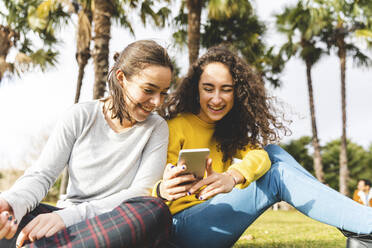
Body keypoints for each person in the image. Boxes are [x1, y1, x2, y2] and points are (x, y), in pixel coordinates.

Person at [154, 46, 372, 248]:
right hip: (181, 228)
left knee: (273, 152)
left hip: (213, 217)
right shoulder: (176, 126)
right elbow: (154, 189)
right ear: (196, 90)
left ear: (237, 93)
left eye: (226, 89)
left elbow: (262, 157)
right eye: (208, 89)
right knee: (277, 176)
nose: (217, 99)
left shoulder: (227, 130)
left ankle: (360, 231)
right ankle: (364, 223)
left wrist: (233, 176)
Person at [0, 40, 173, 248]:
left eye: (163, 93)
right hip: (66, 222)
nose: (156, 102)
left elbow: (141, 192)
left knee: (153, 209)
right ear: (121, 78)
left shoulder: (157, 128)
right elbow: (42, 175)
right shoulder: (80, 115)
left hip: (114, 223)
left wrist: (68, 218)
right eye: (149, 90)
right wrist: (9, 204)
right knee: (8, 217)